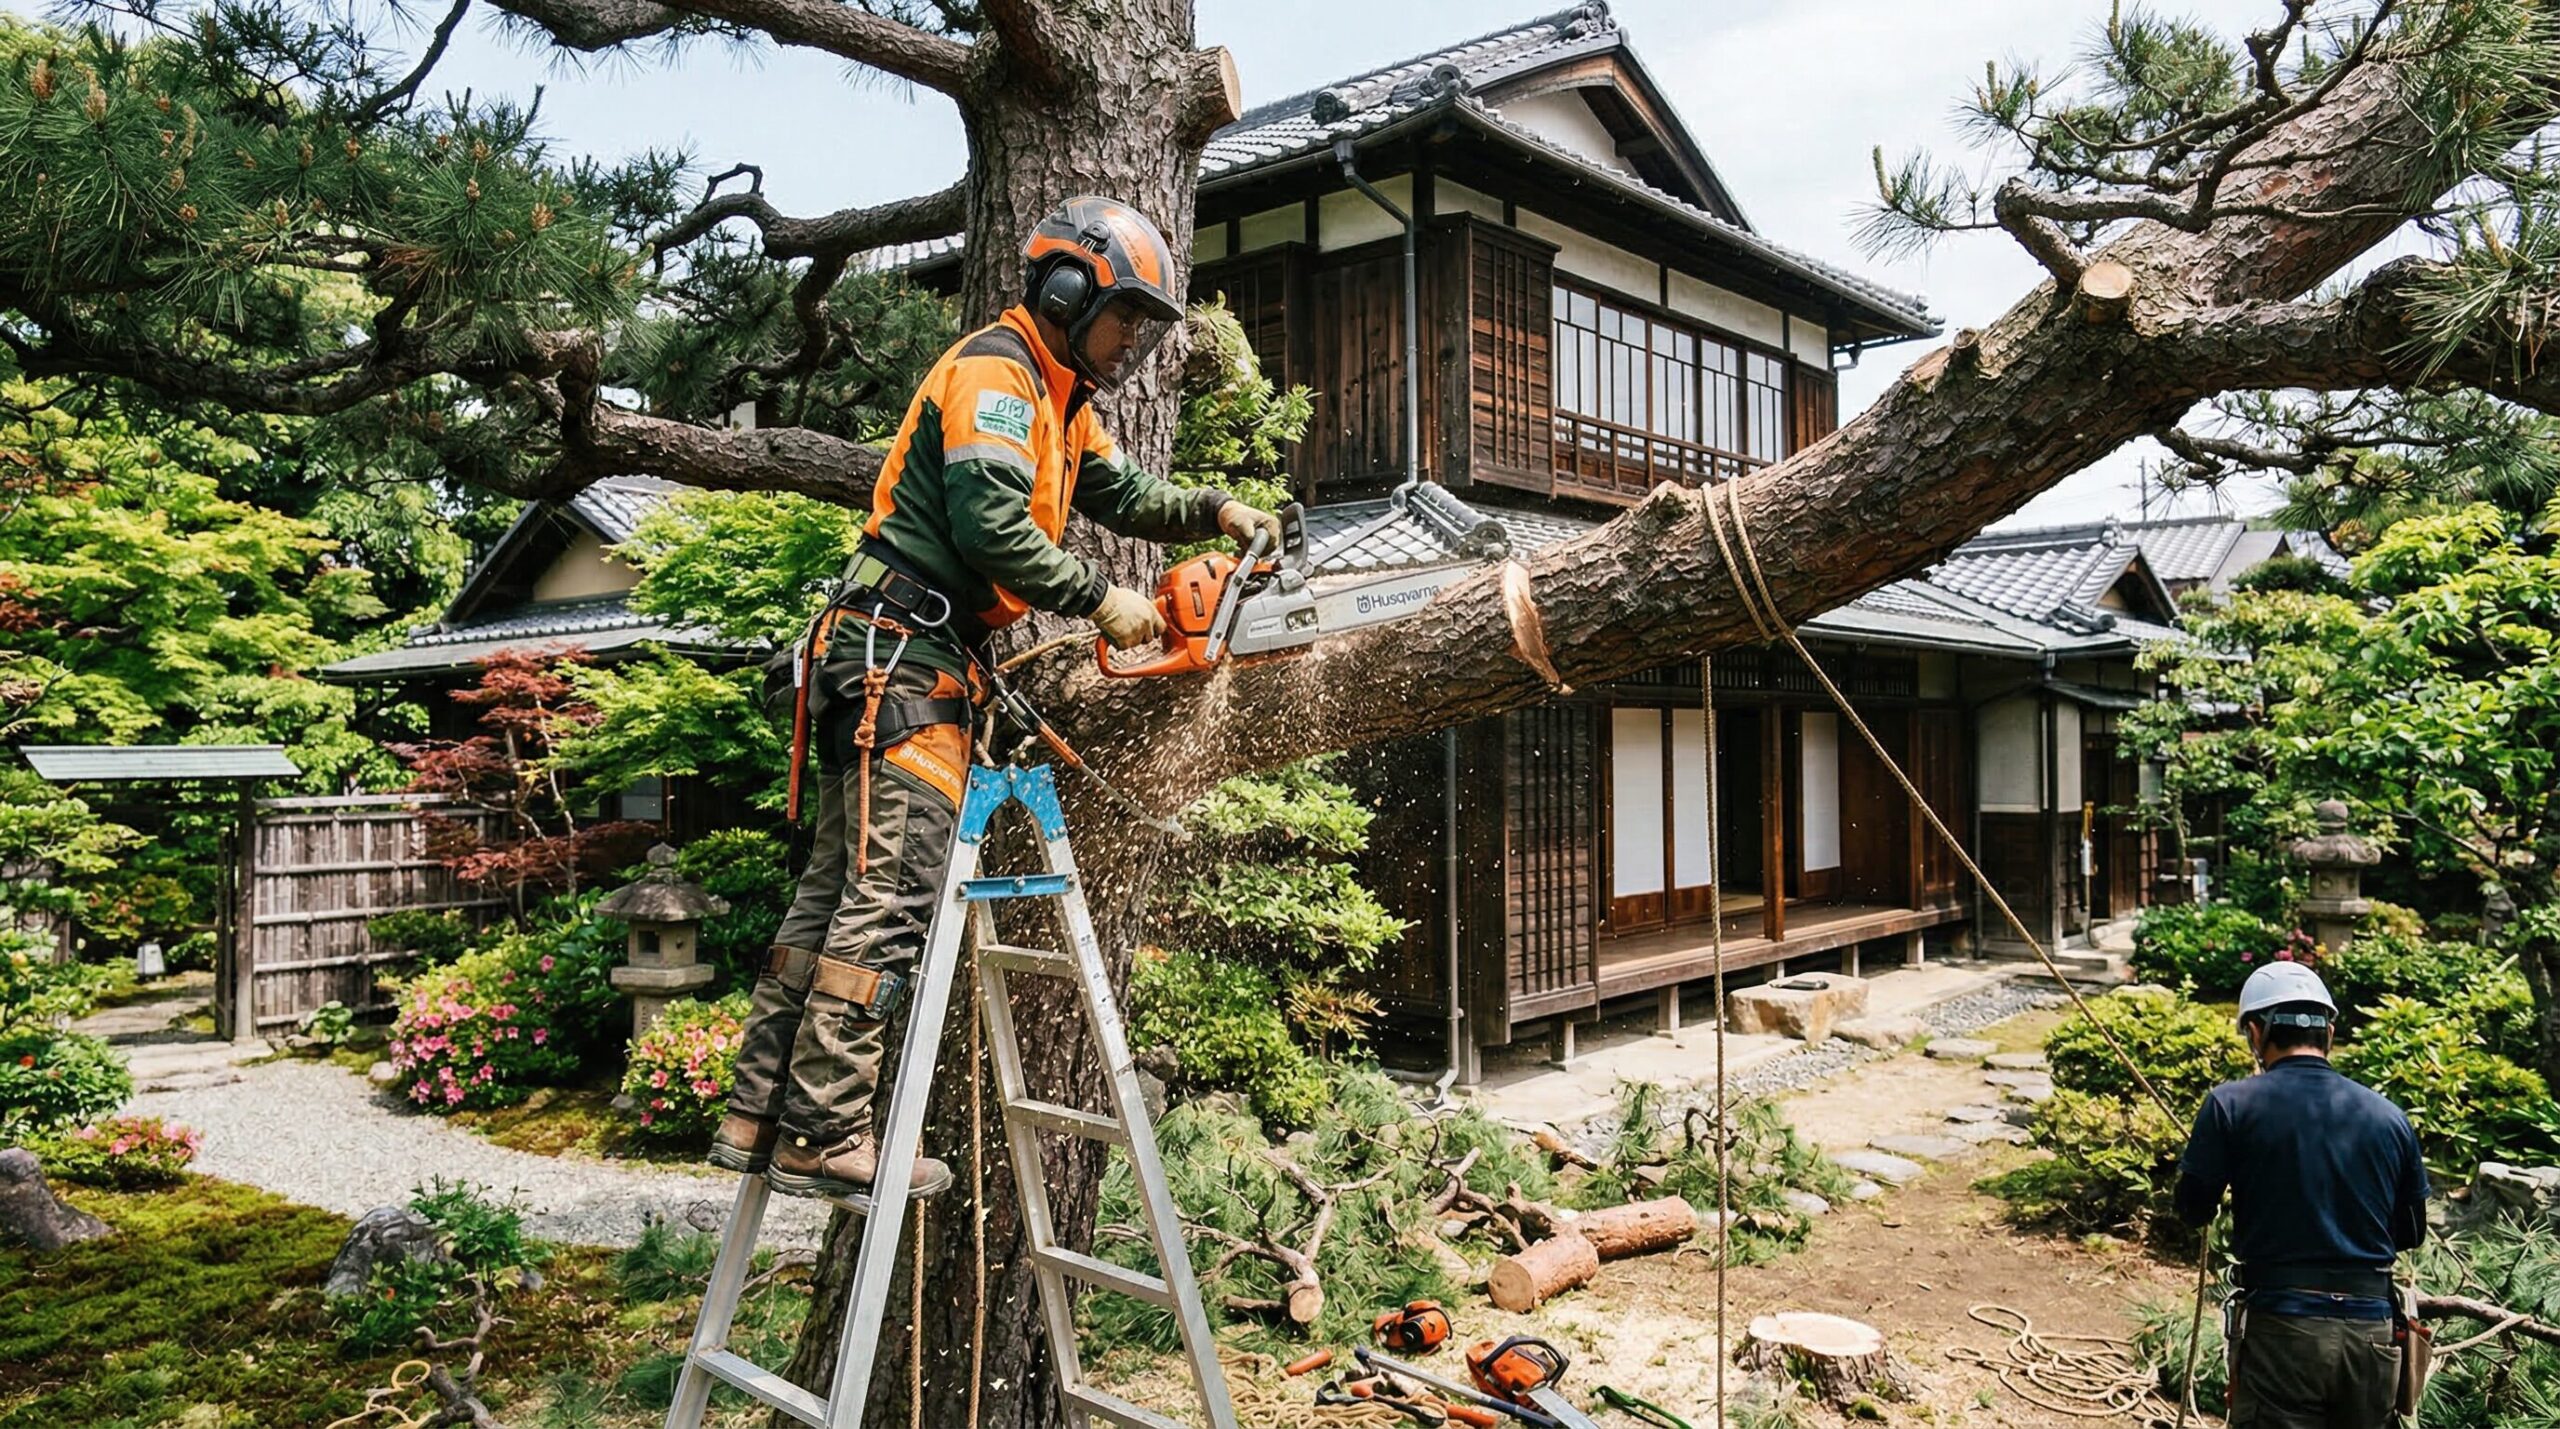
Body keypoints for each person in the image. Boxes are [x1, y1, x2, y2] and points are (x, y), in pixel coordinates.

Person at [709, 195, 1284, 1200]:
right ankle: (825, 1131)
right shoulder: (998, 377)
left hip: (893, 647)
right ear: (1066, 291)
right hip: (902, 656)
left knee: (833, 892)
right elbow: (988, 527)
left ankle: (760, 1111)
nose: (1133, 340)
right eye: (1124, 316)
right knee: (890, 894)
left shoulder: (1061, 400)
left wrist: (1214, 506)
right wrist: (1098, 596)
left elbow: (1122, 494)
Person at [2174, 960, 2431, 1428]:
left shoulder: (2231, 1105)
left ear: (2256, 1033)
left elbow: (2193, 1208)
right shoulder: (2389, 1117)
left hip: (2283, 1328)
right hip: (2372, 1334)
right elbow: (2411, 1232)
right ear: (2328, 1031)